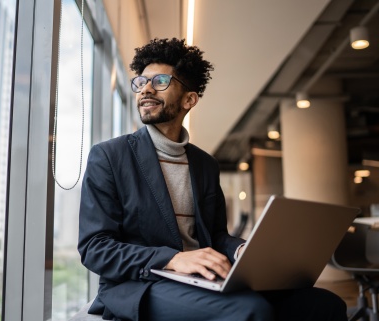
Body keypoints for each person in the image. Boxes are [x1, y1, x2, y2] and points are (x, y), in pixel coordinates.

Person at [78, 38, 347, 321]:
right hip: (141, 285)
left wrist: (244, 250)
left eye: (159, 81)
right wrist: (172, 258)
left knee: (325, 304)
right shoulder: (109, 156)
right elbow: (95, 248)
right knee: (251, 310)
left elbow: (215, 235)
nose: (145, 89)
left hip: (201, 278)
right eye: (141, 81)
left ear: (189, 99)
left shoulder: (204, 164)